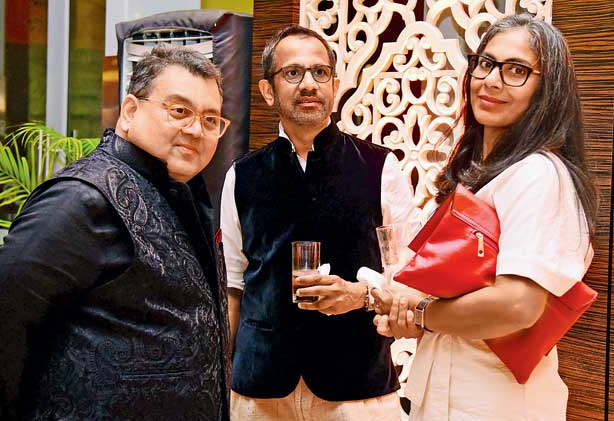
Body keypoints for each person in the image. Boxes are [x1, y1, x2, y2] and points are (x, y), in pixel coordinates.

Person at [0, 45, 232, 420]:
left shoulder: (180, 192)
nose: (195, 129)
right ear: (130, 111)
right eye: (179, 111)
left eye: (210, 120)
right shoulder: (83, 198)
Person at [373, 14, 597, 420]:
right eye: (486, 63)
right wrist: (416, 312)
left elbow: (517, 306)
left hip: (495, 403)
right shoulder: (486, 175)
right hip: (445, 395)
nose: (492, 80)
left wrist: (423, 313)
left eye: (517, 71)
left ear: (548, 90)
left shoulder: (539, 174)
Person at [220, 25, 418, 420]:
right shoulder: (242, 176)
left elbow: (409, 274)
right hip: (261, 388)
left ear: (335, 84)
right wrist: (221, 373)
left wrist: (359, 295)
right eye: (292, 73)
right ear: (267, 90)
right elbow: (234, 285)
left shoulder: (380, 168)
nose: (308, 84)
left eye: (319, 72)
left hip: (357, 387)